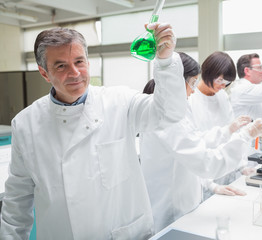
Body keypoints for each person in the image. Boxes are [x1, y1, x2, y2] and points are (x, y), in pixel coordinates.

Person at [0, 23, 187, 240]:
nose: (75, 73)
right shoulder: (26, 124)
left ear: (88, 62)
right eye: (61, 66)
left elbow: (170, 113)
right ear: (44, 73)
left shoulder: (120, 102)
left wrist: (165, 61)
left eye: (79, 62)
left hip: (122, 234)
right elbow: (17, 200)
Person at [140, 52, 262, 233]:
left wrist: (228, 130)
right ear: (175, 82)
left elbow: (197, 141)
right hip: (171, 210)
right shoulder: (167, 118)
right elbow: (206, 162)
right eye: (191, 83)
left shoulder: (177, 112)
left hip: (185, 203)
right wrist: (244, 136)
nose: (193, 89)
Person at [187, 51, 243, 200]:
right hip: (203, 177)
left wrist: (242, 166)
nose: (223, 86)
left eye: (227, 83)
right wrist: (211, 185)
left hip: (226, 173)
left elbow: (231, 134)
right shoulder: (191, 99)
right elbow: (192, 148)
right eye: (220, 81)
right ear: (207, 72)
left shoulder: (222, 96)